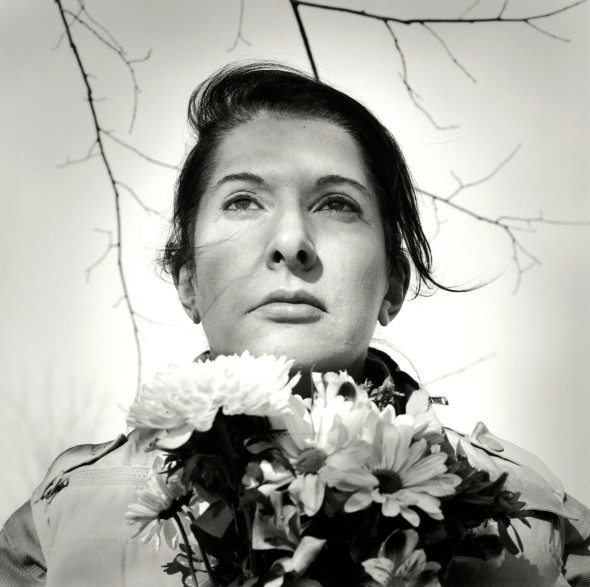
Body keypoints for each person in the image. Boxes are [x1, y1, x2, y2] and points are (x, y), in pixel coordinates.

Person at [1, 62, 588, 586]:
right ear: (188, 282)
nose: (290, 241)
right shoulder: (61, 524)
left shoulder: (534, 520)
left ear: (392, 284)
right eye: (242, 201)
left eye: (337, 204)